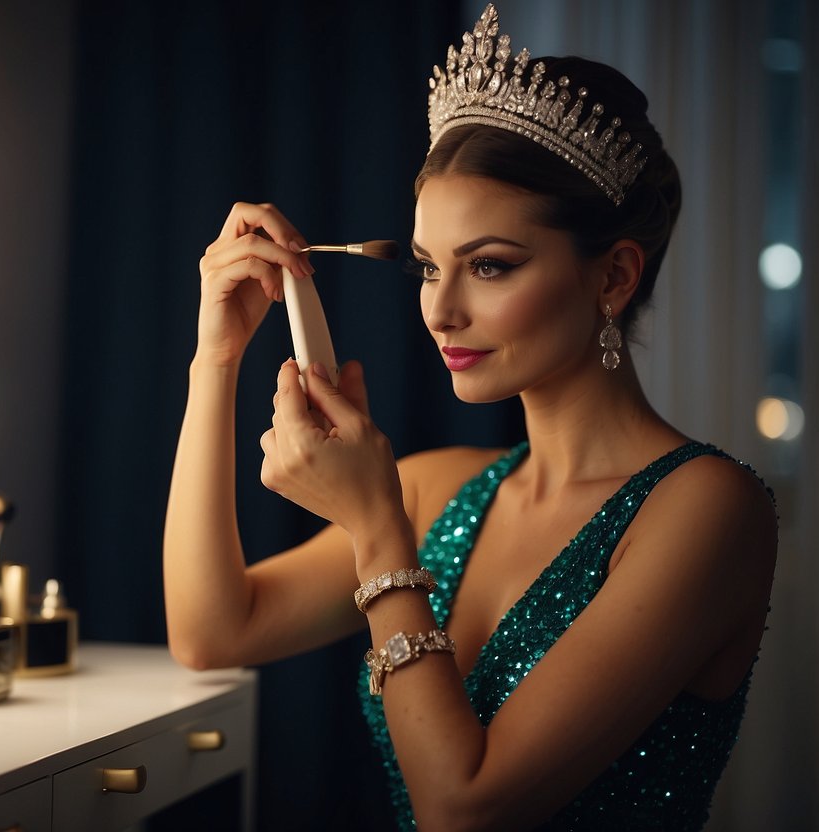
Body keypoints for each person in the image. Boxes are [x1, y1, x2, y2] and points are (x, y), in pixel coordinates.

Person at [162, 4, 777, 831]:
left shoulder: (707, 509)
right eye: (425, 268)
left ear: (614, 277)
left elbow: (463, 808)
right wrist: (216, 360)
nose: (439, 312)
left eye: (488, 267)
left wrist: (376, 528)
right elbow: (211, 632)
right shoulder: (434, 489)